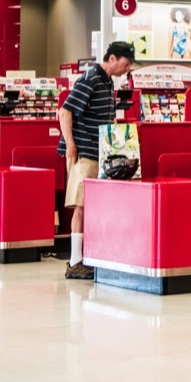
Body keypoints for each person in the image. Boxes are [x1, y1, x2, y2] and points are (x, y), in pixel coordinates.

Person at [57, 41, 136, 279]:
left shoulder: (107, 81)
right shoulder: (90, 78)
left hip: (100, 152)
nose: (127, 69)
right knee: (80, 207)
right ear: (112, 58)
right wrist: (71, 145)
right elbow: (65, 111)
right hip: (86, 152)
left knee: (91, 207)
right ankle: (74, 262)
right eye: (125, 64)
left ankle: (87, 258)